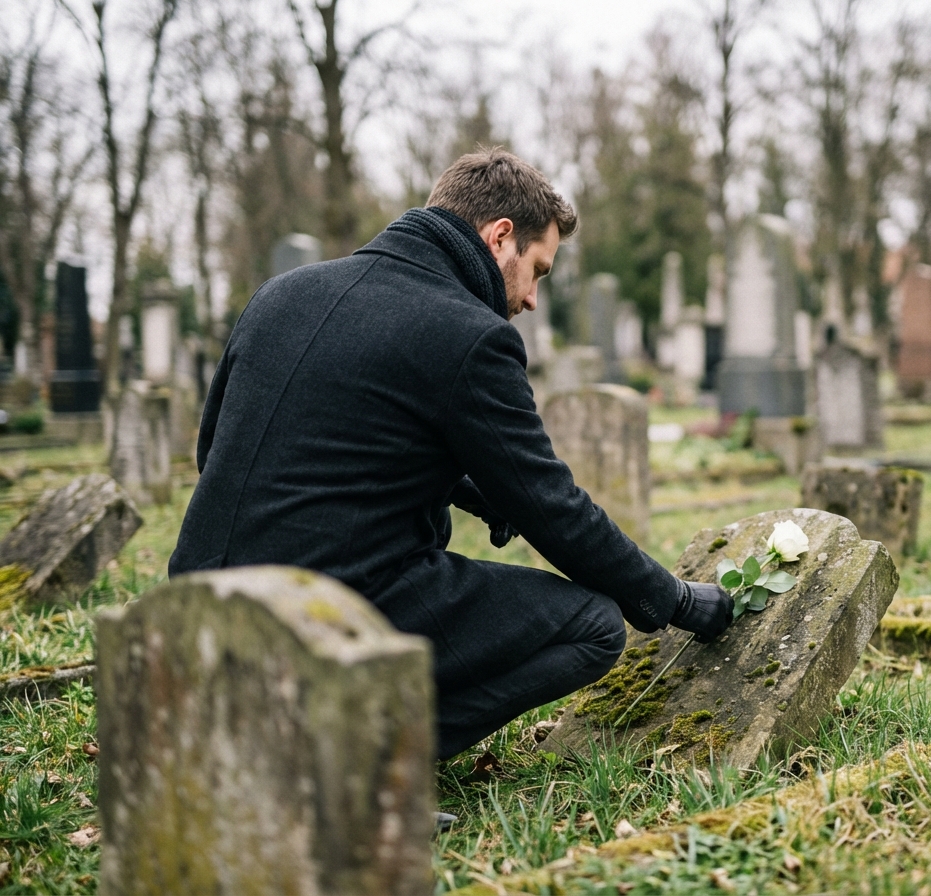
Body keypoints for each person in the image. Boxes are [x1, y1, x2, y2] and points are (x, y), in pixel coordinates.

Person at [169, 147, 733, 761]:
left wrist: (472, 490)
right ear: (500, 238)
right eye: (538, 271)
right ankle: (362, 758)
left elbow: (218, 448)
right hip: (317, 624)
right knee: (595, 626)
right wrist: (669, 598)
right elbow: (554, 507)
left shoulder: (281, 294)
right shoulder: (471, 334)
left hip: (196, 608)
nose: (532, 301)